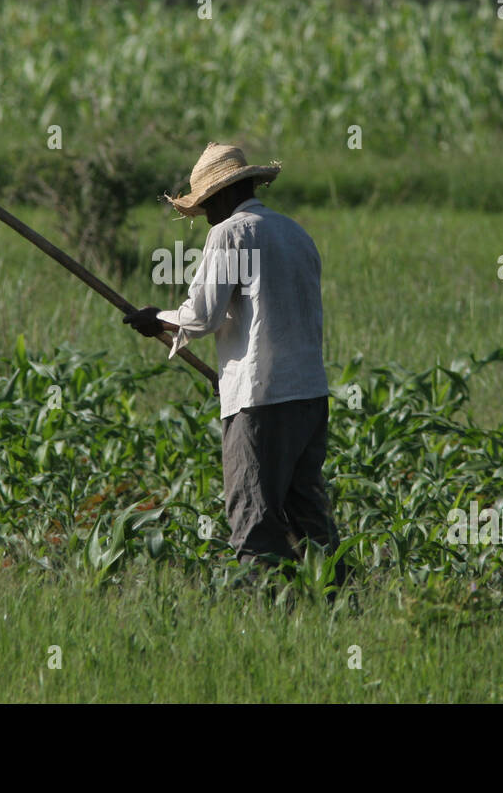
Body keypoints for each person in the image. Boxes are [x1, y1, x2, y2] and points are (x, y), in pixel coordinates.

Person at [123, 143, 348, 595]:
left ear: (224, 195)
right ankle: (343, 604)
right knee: (309, 518)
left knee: (253, 522)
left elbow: (203, 315)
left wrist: (157, 319)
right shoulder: (295, 233)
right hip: (308, 395)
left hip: (260, 401)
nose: (205, 216)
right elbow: (261, 310)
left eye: (206, 205)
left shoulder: (230, 233)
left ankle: (272, 613)